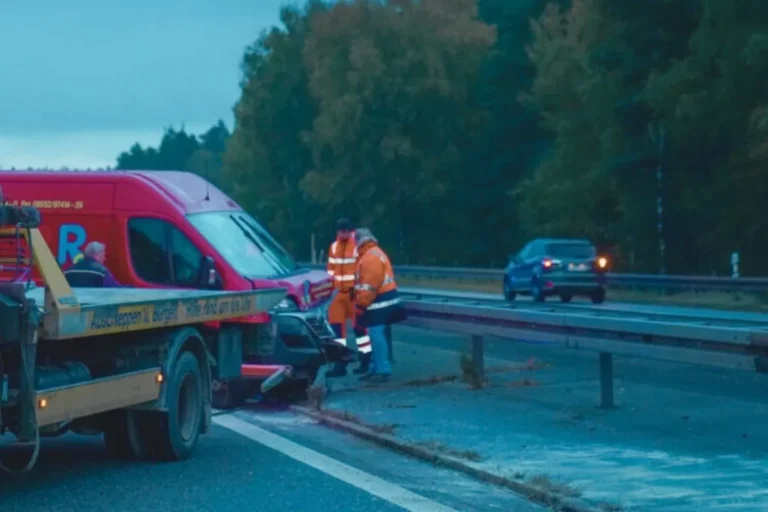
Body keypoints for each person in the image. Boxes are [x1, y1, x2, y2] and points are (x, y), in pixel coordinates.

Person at [352, 228, 406, 382]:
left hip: (380, 302)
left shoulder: (370, 257)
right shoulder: (372, 253)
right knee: (374, 333)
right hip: (382, 300)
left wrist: (361, 304)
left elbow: (369, 285)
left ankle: (382, 369)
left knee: (376, 334)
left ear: (359, 240)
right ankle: (376, 367)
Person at [325, 218, 361, 377]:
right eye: (341, 231)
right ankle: (339, 364)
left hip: (354, 293)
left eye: (346, 231)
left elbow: (362, 268)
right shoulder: (334, 247)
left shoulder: (357, 246)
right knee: (336, 329)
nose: (343, 234)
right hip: (338, 293)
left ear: (350, 231)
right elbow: (330, 269)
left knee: (360, 328)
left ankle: (366, 360)